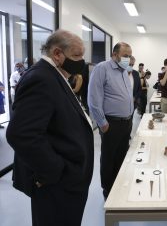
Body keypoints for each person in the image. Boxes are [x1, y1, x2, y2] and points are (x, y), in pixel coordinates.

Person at [6, 30, 94, 226]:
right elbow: (21, 134)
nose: (81, 61)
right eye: (77, 55)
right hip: (57, 184)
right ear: (57, 54)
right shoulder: (41, 78)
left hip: (68, 181)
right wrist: (56, 170)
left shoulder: (56, 76)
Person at [88, 42, 133, 199]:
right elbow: (93, 99)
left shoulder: (124, 71)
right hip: (111, 123)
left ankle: (118, 186)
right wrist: (102, 123)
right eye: (125, 55)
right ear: (115, 55)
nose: (128, 58)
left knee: (122, 155)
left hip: (126, 122)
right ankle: (108, 190)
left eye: (130, 56)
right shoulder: (102, 68)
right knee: (109, 157)